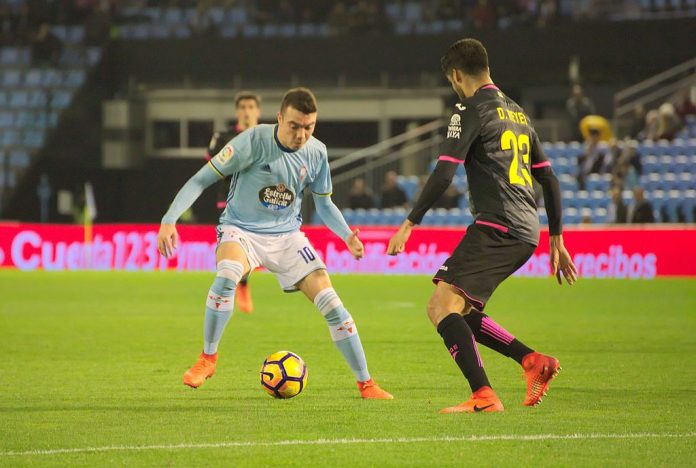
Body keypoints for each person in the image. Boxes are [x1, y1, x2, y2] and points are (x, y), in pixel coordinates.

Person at [158, 88, 392, 400]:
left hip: (287, 236)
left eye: (309, 127)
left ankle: (367, 384)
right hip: (241, 229)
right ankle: (207, 359)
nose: (301, 134)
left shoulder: (317, 152)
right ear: (279, 118)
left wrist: (346, 234)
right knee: (228, 273)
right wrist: (169, 219)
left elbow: (324, 204)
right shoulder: (252, 141)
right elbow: (201, 179)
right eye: (295, 126)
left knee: (332, 303)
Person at [387, 38, 577, 413]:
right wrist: (557, 237)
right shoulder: (518, 113)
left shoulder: (469, 109)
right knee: (460, 306)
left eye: (451, 81)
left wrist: (410, 222)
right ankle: (531, 360)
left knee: (440, 306)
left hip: (498, 225)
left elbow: (444, 173)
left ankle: (484, 396)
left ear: (456, 75)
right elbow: (549, 180)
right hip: (526, 230)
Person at [204, 91, 262, 314]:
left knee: (252, 247)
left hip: (260, 200)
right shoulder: (223, 137)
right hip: (230, 198)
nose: (247, 111)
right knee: (234, 246)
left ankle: (241, 281)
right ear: (237, 111)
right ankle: (240, 287)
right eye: (243, 107)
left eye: (251, 107)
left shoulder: (266, 136)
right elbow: (212, 169)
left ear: (257, 111)